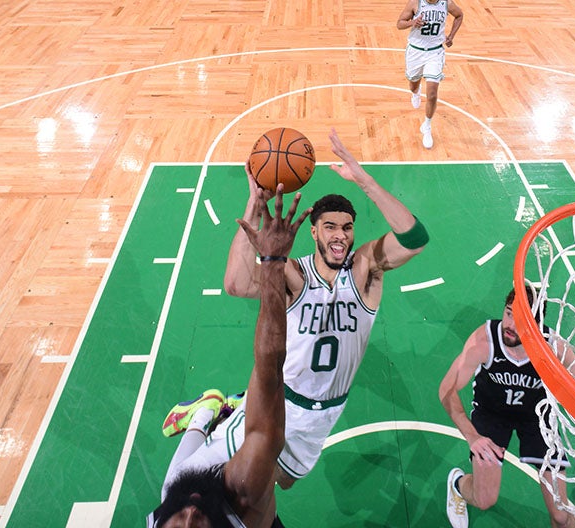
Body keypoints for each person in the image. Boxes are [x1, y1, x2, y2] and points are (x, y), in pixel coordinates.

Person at [163, 128, 428, 493]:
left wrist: (364, 181)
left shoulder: (365, 270)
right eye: (330, 227)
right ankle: (205, 415)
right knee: (177, 490)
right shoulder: (294, 275)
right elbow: (236, 283)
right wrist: (255, 205)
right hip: (278, 404)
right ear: (314, 233)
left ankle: (227, 409)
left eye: (347, 228)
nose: (340, 235)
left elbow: (415, 238)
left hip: (326, 412)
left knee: (284, 483)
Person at [149, 186, 309, 528]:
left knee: (176, 485)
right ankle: (209, 412)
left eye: (177, 525)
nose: (190, 515)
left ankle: (205, 412)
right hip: (240, 506)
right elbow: (269, 372)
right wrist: (271, 263)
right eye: (197, 527)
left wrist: (267, 248)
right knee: (281, 473)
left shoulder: (181, 503)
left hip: (198, 485)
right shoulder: (243, 492)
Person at [439, 284, 575, 528]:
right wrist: (473, 436)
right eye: (509, 313)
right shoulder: (484, 342)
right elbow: (446, 389)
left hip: (536, 418)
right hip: (492, 414)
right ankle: (457, 484)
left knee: (561, 516)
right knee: (484, 499)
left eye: (521, 320)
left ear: (536, 325)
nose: (510, 325)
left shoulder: (552, 347)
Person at [397, 0, 463, 149]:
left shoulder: (446, 3)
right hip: (415, 51)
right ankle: (415, 92)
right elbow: (399, 23)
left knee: (432, 94)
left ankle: (426, 126)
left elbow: (459, 15)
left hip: (435, 52)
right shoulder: (415, 3)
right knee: (413, 84)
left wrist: (451, 35)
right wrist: (412, 22)